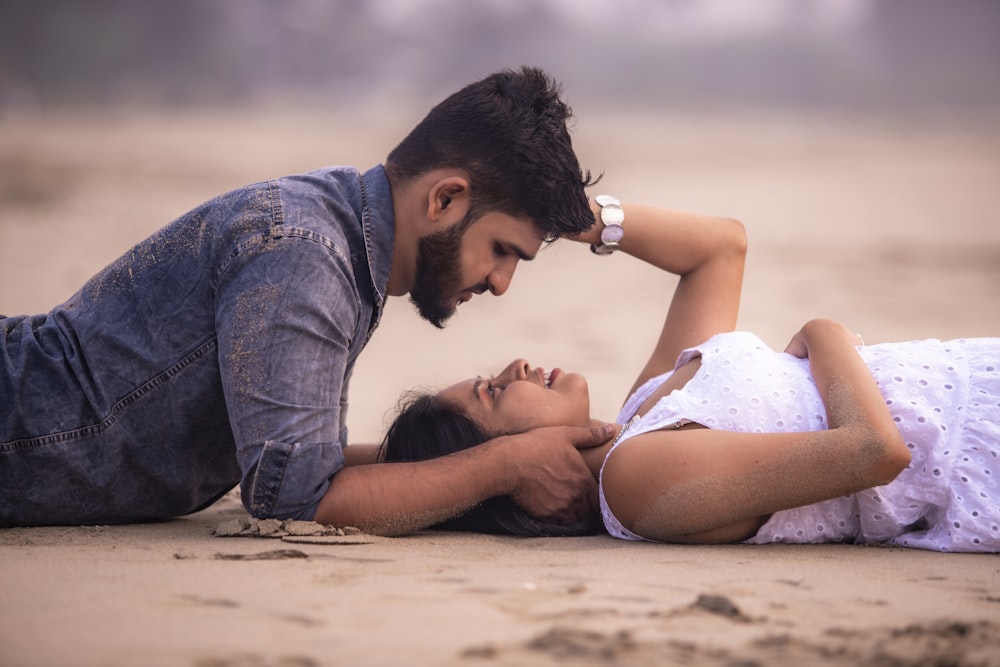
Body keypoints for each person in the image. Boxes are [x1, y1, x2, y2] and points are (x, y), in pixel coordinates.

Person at [0, 66, 616, 531]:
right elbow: (292, 497)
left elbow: (300, 455)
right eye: (503, 249)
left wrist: (496, 447)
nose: (502, 282)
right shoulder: (306, 254)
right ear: (444, 200)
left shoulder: (346, 243)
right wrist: (503, 466)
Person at [379, 198, 1000, 552]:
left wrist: (560, 209)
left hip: (976, 377)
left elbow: (718, 249)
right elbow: (874, 452)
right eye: (493, 391)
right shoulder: (635, 481)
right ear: (518, 462)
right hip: (978, 452)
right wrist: (823, 332)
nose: (513, 366)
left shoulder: (643, 411)